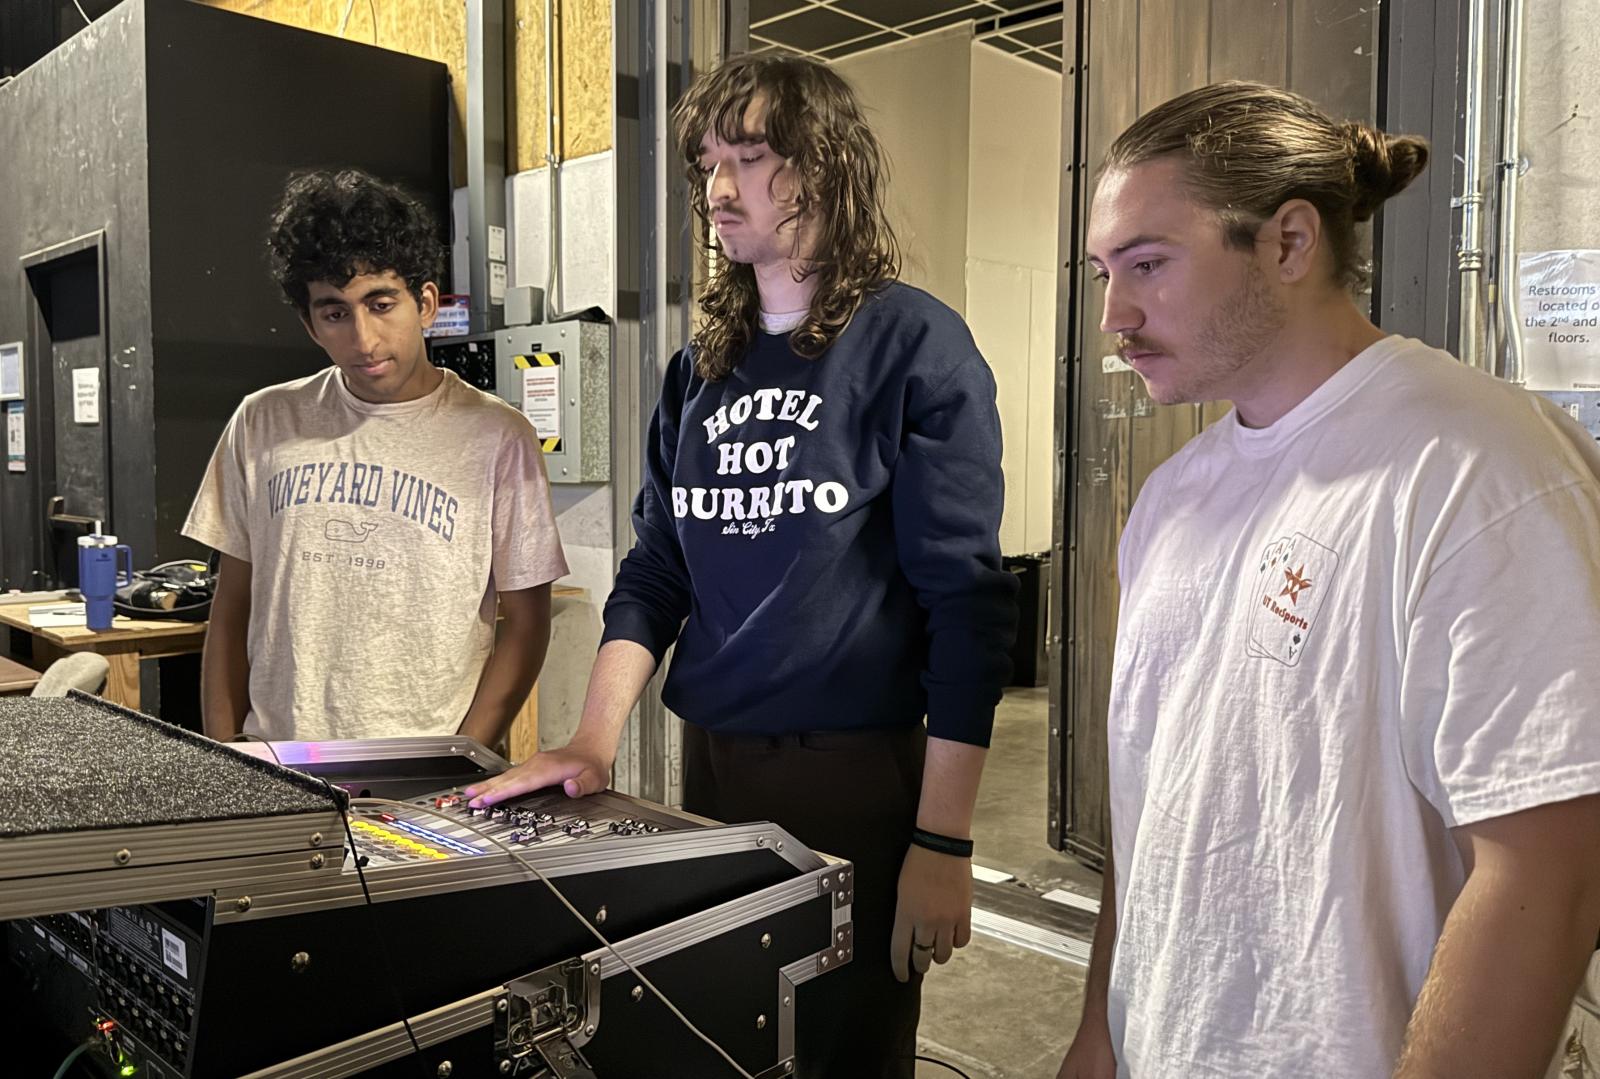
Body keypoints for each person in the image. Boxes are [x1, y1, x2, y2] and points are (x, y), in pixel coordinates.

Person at [465, 56, 1018, 1078]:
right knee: (723, 1041)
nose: (718, 190)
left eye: (749, 159)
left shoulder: (914, 345)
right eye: (707, 165)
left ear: (826, 170)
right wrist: (592, 740)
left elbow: (967, 608)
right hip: (711, 765)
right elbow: (656, 570)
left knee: (845, 1048)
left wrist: (943, 840)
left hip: (857, 776)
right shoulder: (699, 367)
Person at [1057, 81, 1600, 1079]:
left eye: (1146, 264)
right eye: (1102, 271)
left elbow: (1551, 870)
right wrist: (1103, 1031)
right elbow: (1152, 810)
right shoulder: (1172, 498)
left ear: (1288, 242)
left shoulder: (1479, 469)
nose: (1113, 314)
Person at [184, 169, 568, 745]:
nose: (363, 338)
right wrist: (226, 752)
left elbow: (528, 626)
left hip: (422, 769)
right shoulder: (262, 422)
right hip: (279, 759)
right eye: (335, 313)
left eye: (381, 303)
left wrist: (459, 759)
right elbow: (232, 603)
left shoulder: (498, 436)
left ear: (427, 303)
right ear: (310, 325)